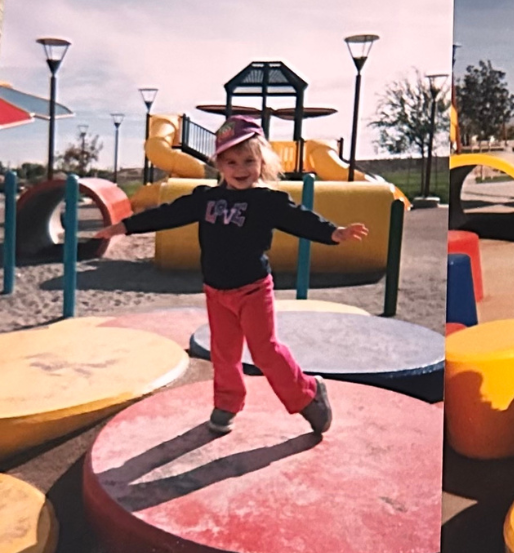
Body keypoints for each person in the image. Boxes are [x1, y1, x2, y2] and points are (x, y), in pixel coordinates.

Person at [96, 116, 369, 435]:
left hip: (253, 289)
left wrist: (333, 232)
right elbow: (168, 214)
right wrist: (126, 226)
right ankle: (227, 402)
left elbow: (299, 219)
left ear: (262, 162)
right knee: (224, 352)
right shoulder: (205, 199)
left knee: (265, 351)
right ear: (219, 165)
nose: (240, 169)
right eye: (231, 162)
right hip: (216, 290)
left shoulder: (268, 200)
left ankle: (309, 395)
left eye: (248, 161)